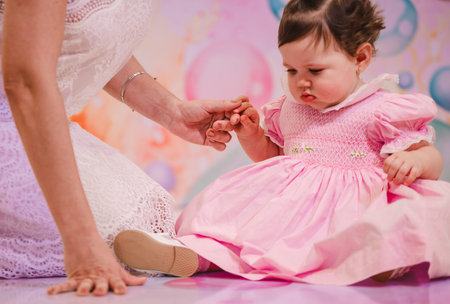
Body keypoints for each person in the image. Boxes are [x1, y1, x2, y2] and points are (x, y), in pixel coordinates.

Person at [113, 0, 450, 285]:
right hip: (293, 215)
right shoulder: (290, 109)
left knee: (393, 226)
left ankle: (381, 258)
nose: (301, 82)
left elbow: (430, 157)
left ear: (360, 59)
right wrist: (252, 135)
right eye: (291, 70)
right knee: (236, 229)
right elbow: (273, 159)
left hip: (353, 211)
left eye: (315, 71)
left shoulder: (381, 109)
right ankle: (190, 254)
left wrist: (415, 162)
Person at [0, 0, 242, 297]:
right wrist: (81, 243)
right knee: (119, 237)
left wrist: (172, 111)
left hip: (40, 126)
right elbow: (25, 81)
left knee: (154, 219)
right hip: (18, 126)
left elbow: (87, 41)